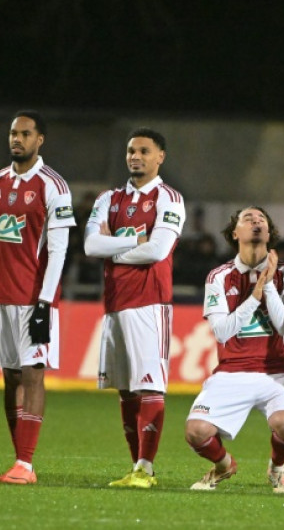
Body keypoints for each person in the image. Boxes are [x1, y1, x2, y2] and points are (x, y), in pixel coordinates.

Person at [83, 128, 185, 488]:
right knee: (126, 389)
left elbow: (157, 250)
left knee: (150, 385)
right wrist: (132, 241)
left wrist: (113, 248)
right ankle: (135, 467)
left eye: (144, 150)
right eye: (130, 150)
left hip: (150, 302)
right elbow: (90, 247)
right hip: (115, 302)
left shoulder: (169, 198)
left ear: (160, 157)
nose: (135, 156)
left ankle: (146, 467)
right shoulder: (108, 198)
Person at [0, 111, 75, 485]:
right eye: (12, 133)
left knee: (33, 376)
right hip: (2, 298)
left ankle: (25, 462)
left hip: (34, 299)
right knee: (10, 377)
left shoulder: (54, 185)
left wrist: (45, 303)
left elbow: (59, 249)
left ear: (40, 140)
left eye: (24, 134)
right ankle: (20, 462)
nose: (16, 139)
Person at [186, 207, 284, 493]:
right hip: (231, 371)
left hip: (275, 372)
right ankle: (224, 465)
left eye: (261, 219)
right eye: (248, 219)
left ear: (269, 233)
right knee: (196, 432)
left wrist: (268, 284)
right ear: (235, 233)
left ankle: (277, 468)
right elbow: (222, 332)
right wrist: (254, 296)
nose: (256, 221)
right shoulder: (218, 276)